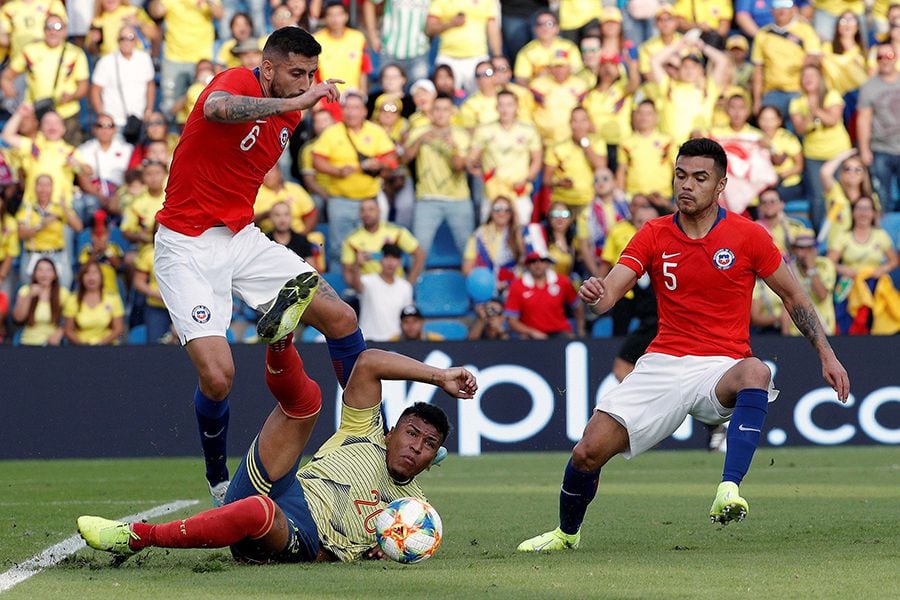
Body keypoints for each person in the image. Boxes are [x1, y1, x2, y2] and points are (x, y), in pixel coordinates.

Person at [517, 138, 850, 553]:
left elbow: (796, 297)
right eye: (680, 175)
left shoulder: (748, 236)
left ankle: (728, 489)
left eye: (699, 177)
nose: (686, 185)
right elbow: (609, 295)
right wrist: (594, 293)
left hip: (721, 367)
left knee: (757, 371)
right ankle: (566, 535)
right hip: (663, 364)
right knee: (587, 453)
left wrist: (827, 354)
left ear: (721, 184)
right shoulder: (654, 233)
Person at [152, 27, 364, 506]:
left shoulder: (290, 108)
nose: (305, 82)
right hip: (185, 245)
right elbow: (216, 110)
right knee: (219, 376)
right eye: (296, 73)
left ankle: (367, 438)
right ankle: (218, 479)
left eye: (311, 74)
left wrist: (298, 102)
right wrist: (293, 103)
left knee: (342, 317)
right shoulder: (238, 83)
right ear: (268, 69)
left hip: (242, 238)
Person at [78, 347, 477, 563]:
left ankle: (134, 537)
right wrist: (439, 376)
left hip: (300, 532)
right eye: (411, 433)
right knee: (307, 403)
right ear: (391, 432)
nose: (415, 446)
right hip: (284, 486)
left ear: (433, 457)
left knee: (256, 512)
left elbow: (410, 543)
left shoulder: (416, 510)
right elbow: (369, 362)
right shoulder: (364, 432)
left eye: (428, 444)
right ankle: (280, 339)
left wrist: (380, 551)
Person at [404, 92, 472, 258]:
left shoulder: (461, 135)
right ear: (431, 112)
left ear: (452, 112)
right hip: (427, 198)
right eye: (437, 109)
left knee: (468, 250)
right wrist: (419, 141)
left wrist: (453, 148)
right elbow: (405, 159)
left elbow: (459, 167)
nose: (441, 113)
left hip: (458, 199)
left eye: (445, 110)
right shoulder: (419, 131)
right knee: (419, 251)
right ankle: (414, 284)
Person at [826, 196, 900, 334]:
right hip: (850, 282)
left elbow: (894, 260)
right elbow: (829, 262)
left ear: (873, 213)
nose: (863, 213)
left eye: (867, 209)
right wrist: (844, 269)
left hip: (875, 283)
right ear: (853, 212)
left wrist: (882, 269)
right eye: (859, 208)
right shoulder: (844, 236)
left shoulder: (881, 235)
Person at [340, 198, 425, 287]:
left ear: (379, 211)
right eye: (362, 210)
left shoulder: (397, 232)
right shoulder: (351, 240)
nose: (366, 213)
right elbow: (347, 273)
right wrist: (359, 288)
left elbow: (420, 255)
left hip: (395, 287)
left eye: (371, 209)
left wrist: (409, 285)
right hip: (368, 288)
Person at [857, 44, 900, 212]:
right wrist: (864, 149)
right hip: (881, 148)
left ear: (895, 57)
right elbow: (864, 120)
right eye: (880, 57)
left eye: (888, 56)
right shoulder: (869, 87)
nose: (885, 60)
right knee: (883, 199)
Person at [89, 25, 156, 133]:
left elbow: (150, 85)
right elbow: (95, 90)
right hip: (114, 121)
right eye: (123, 38)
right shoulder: (106, 62)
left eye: (130, 38)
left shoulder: (144, 59)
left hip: (139, 119)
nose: (126, 42)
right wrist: (102, 114)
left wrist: (148, 110)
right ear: (117, 40)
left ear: (136, 40)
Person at [505, 250, 584, 339]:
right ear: (528, 265)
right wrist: (531, 332)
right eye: (533, 261)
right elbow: (512, 320)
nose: (538, 265)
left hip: (560, 333)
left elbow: (577, 306)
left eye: (542, 260)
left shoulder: (563, 281)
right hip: (531, 335)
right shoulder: (517, 285)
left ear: (548, 263)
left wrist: (580, 331)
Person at [346, 243, 413, 342]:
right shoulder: (367, 281)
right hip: (369, 338)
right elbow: (356, 286)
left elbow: (406, 318)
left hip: (395, 341)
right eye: (387, 257)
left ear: (400, 262)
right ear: (381, 260)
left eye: (394, 258)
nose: (390, 262)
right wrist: (357, 265)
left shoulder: (406, 287)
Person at [63, 259, 125, 345]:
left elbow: (118, 328)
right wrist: (82, 344)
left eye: (95, 273)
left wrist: (101, 344)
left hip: (108, 346)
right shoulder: (72, 299)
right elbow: (68, 330)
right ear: (81, 278)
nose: (91, 277)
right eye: (87, 273)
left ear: (101, 276)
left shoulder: (113, 298)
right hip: (81, 347)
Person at [12, 256, 69, 346]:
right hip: (28, 343)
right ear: (34, 274)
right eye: (40, 270)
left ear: (54, 275)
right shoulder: (25, 290)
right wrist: (29, 296)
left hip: (52, 345)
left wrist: (60, 332)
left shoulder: (63, 293)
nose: (44, 274)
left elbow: (69, 322)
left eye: (48, 270)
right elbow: (18, 318)